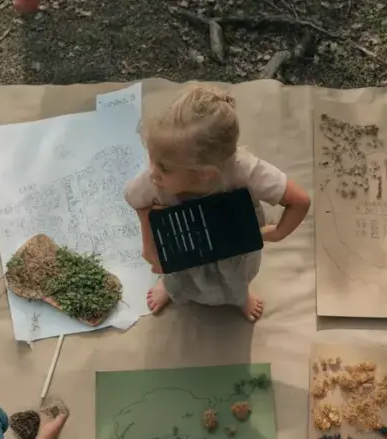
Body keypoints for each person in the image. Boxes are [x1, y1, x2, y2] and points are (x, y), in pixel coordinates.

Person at [124, 85, 311, 322]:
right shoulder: (155, 181)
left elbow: (299, 200)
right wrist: (150, 248)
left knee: (236, 279)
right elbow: (138, 202)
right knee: (177, 277)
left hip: (233, 249)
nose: (153, 173)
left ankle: (240, 298)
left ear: (205, 174)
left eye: (164, 167)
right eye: (152, 159)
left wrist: (278, 233)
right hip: (183, 243)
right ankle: (169, 289)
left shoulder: (245, 170)